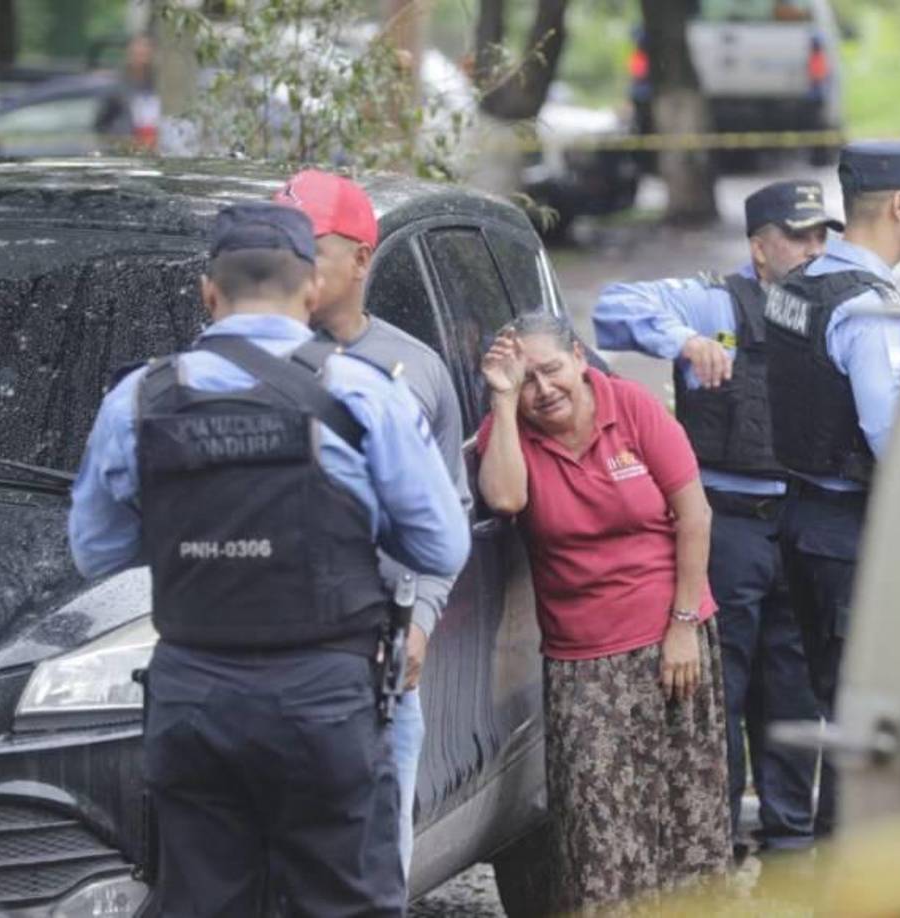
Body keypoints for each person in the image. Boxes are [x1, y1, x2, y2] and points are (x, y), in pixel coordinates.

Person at [68, 202, 469, 916]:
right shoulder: (363, 395)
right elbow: (440, 543)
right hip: (325, 699)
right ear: (310, 288)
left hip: (193, 698)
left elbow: (95, 551)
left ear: (208, 291)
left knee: (204, 901)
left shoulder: (138, 401)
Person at [592, 180, 843, 854]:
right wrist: (683, 340)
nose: (813, 250)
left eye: (821, 236)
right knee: (718, 686)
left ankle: (790, 837)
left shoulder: (832, 305)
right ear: (759, 248)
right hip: (725, 524)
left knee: (793, 687)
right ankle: (714, 837)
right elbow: (613, 309)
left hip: (800, 517)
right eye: (798, 237)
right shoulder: (714, 302)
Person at [476, 312, 731, 913]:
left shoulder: (631, 406)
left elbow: (694, 516)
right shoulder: (507, 431)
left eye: (551, 370)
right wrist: (503, 402)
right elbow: (506, 498)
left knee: (686, 821)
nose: (543, 389)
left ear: (579, 359)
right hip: (583, 662)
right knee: (600, 836)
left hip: (672, 641)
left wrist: (683, 626)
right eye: (526, 379)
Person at [274, 169, 470, 877]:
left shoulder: (414, 371)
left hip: (376, 667)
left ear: (361, 257)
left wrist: (420, 621)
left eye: (308, 247)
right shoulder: (230, 362)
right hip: (254, 668)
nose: (288, 263)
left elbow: (451, 511)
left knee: (372, 870)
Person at [765, 141, 900, 836]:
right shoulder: (865, 309)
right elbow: (889, 434)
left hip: (805, 521)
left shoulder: (801, 283)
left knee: (836, 706)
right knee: (865, 718)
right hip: (851, 534)